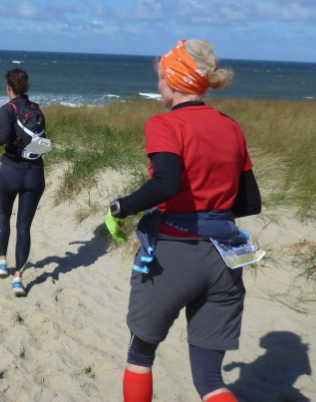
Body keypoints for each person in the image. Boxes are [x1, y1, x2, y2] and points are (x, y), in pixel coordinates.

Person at [105, 40, 262, 402]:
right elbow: (250, 202)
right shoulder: (231, 127)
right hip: (225, 258)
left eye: (161, 77)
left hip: (174, 254)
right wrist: (211, 213)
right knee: (210, 380)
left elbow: (166, 184)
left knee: (141, 355)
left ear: (174, 82)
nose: (158, 84)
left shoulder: (165, 123)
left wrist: (120, 207)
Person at [0, 68, 46, 297]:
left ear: (9, 87)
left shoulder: (7, 109)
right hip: (34, 174)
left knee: (4, 214)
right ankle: (18, 280)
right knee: (24, 227)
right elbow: (41, 143)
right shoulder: (36, 109)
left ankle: (2, 262)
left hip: (11, 171)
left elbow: (3, 136)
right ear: (26, 86)